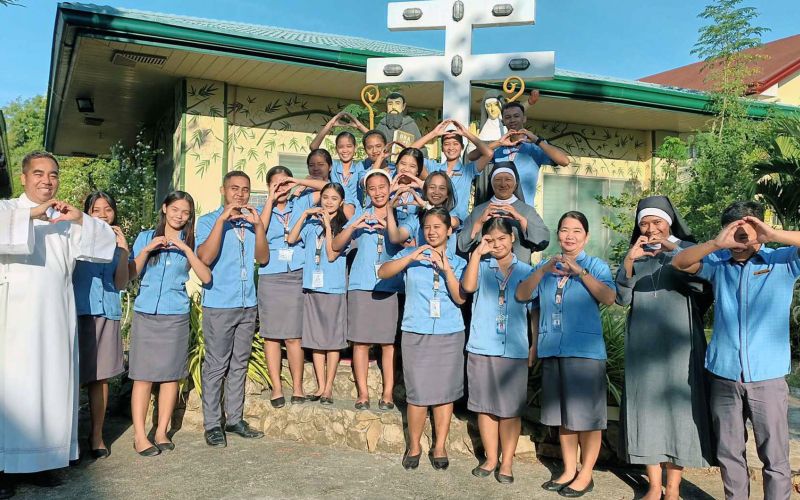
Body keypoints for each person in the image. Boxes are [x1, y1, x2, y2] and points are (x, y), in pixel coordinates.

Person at [0, 152, 115, 496]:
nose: (46, 181)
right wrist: (31, 214)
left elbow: (105, 246)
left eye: (52, 175)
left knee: (52, 386)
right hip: (14, 319)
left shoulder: (64, 219)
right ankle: (5, 468)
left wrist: (80, 218)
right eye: (38, 174)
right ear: (23, 177)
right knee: (13, 392)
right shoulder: (7, 210)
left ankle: (44, 464)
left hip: (56, 317)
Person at [672, 201, 799, 500]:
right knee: (729, 452)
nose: (739, 244)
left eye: (746, 235)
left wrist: (773, 234)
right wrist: (716, 243)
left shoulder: (783, 261)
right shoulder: (718, 263)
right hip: (724, 373)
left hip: (767, 376)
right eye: (733, 235)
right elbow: (679, 263)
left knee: (775, 456)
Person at [616, 196, 714, 500]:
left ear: (669, 222)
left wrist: (673, 248)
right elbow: (621, 298)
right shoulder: (636, 255)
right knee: (645, 411)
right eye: (644, 222)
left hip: (680, 345)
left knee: (680, 412)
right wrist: (630, 260)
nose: (650, 228)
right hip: (643, 347)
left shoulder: (686, 251)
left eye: (656, 221)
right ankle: (654, 486)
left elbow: (706, 280)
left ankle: (673, 488)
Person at [516, 211, 616, 497]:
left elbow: (609, 298)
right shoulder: (547, 267)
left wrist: (580, 273)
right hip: (552, 348)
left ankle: (586, 475)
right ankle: (569, 470)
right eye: (564, 230)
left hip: (584, 353)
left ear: (586, 236)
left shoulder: (596, 266)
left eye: (576, 231)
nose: (569, 236)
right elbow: (524, 297)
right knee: (564, 417)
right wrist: (542, 271)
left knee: (588, 418)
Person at [378, 207, 467, 471]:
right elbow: (383, 272)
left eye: (438, 227)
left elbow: (461, 297)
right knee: (416, 394)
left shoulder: (460, 261)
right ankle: (414, 445)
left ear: (449, 230)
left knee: (444, 393)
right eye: (427, 226)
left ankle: (440, 445)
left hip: (449, 331)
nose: (432, 231)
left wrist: (446, 267)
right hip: (416, 330)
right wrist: (412, 256)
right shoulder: (410, 255)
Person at [129, 191, 212, 456]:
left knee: (170, 377)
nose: (179, 215)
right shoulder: (144, 236)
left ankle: (162, 430)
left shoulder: (192, 240)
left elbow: (206, 277)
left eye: (185, 212)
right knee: (142, 377)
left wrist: (186, 249)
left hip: (175, 314)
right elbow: (132, 273)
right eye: (175, 209)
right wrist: (146, 249)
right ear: (165, 208)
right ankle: (140, 435)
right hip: (145, 313)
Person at [196, 171, 268, 448]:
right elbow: (204, 257)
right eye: (234, 189)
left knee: (239, 364)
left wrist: (259, 226)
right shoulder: (207, 221)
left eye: (245, 190)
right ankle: (212, 424)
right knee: (216, 366)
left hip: (247, 303)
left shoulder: (251, 223)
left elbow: (262, 258)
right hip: (219, 304)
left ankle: (234, 419)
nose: (240, 194)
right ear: (223, 190)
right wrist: (222, 221)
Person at [461, 217, 534, 484]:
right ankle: (491, 458)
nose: (497, 244)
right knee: (485, 406)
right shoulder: (480, 267)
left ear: (513, 238)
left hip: (514, 349)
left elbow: (534, 311)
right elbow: (467, 288)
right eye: (491, 239)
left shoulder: (526, 270)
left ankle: (507, 462)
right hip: (483, 345)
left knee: (510, 410)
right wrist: (477, 254)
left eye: (502, 238)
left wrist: (534, 344)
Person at [332, 170, 403, 410]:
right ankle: (363, 393)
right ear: (366, 192)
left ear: (389, 187)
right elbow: (336, 244)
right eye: (372, 188)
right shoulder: (360, 216)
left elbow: (409, 243)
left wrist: (387, 224)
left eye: (382, 186)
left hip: (390, 286)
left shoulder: (399, 215)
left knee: (387, 343)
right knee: (360, 342)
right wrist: (355, 227)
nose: (378, 192)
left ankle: (388, 393)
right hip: (361, 285)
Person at [72, 191, 130, 459]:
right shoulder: (75, 236)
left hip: (107, 312)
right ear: (87, 213)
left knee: (100, 378)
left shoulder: (117, 244)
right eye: (96, 210)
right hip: (79, 311)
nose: (104, 215)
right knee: (71, 377)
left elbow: (120, 283)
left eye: (108, 209)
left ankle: (96, 435)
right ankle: (67, 439)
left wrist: (123, 250)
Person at [257, 166, 317, 408]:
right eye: (276, 184)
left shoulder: (300, 203)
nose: (281, 189)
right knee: (271, 335)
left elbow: (328, 187)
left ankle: (298, 387)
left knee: (294, 336)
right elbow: (259, 230)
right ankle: (277, 388)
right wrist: (271, 199)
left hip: (296, 273)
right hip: (271, 275)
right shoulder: (263, 208)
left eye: (284, 184)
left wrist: (296, 182)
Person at [287, 182, 350, 405]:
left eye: (334, 198)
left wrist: (329, 226)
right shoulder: (312, 223)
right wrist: (305, 214)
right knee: (315, 340)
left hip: (333, 288)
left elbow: (332, 253)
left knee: (332, 341)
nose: (329, 202)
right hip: (312, 287)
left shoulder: (345, 225)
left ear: (341, 202)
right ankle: (320, 384)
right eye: (325, 197)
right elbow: (291, 239)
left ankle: (329, 388)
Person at [469, 101, 570, 206]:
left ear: (524, 118)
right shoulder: (498, 147)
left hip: (524, 212)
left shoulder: (535, 147)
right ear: (503, 121)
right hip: (499, 212)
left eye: (516, 116)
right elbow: (471, 156)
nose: (512, 120)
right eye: (507, 117)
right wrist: (499, 143)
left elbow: (565, 161)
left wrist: (537, 140)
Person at [459, 162, 550, 263]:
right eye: (497, 179)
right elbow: (462, 245)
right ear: (491, 183)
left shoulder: (527, 210)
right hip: (485, 274)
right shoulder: (479, 210)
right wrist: (479, 222)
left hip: (519, 274)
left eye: (508, 179)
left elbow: (543, 242)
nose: (503, 184)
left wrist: (522, 219)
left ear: (515, 184)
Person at [411, 119, 493, 218]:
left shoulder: (468, 171)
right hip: (433, 219)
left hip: (457, 226)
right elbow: (410, 153)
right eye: (446, 144)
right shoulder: (434, 167)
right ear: (441, 148)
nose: (451, 147)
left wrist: (466, 133)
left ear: (462, 147)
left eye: (455, 144)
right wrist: (433, 134)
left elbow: (489, 153)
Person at [310, 111, 369, 217]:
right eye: (341, 147)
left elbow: (377, 145)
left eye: (349, 146)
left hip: (355, 215)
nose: (345, 150)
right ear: (336, 149)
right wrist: (330, 124)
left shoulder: (361, 166)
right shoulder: (333, 165)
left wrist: (359, 126)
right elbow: (314, 147)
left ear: (355, 148)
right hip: (332, 213)